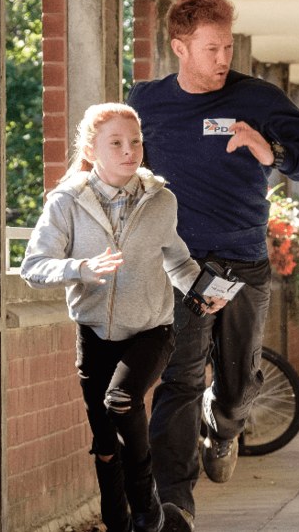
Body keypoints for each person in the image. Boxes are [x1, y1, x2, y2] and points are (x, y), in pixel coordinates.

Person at [128, 0, 299, 530]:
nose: (223, 59)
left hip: (242, 262)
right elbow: (116, 164)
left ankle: (224, 428)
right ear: (179, 47)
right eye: (212, 48)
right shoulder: (146, 103)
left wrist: (274, 154)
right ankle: (174, 505)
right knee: (180, 379)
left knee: (239, 384)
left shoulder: (257, 98)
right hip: (181, 267)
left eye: (227, 48)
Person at [20, 103, 223, 532]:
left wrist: (205, 292)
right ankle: (119, 523)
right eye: (117, 143)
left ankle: (148, 507)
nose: (130, 151)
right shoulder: (66, 203)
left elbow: (178, 262)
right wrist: (80, 269)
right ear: (92, 150)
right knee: (105, 443)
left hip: (152, 329)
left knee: (122, 400)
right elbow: (34, 267)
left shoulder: (160, 199)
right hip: (94, 333)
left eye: (135, 142)